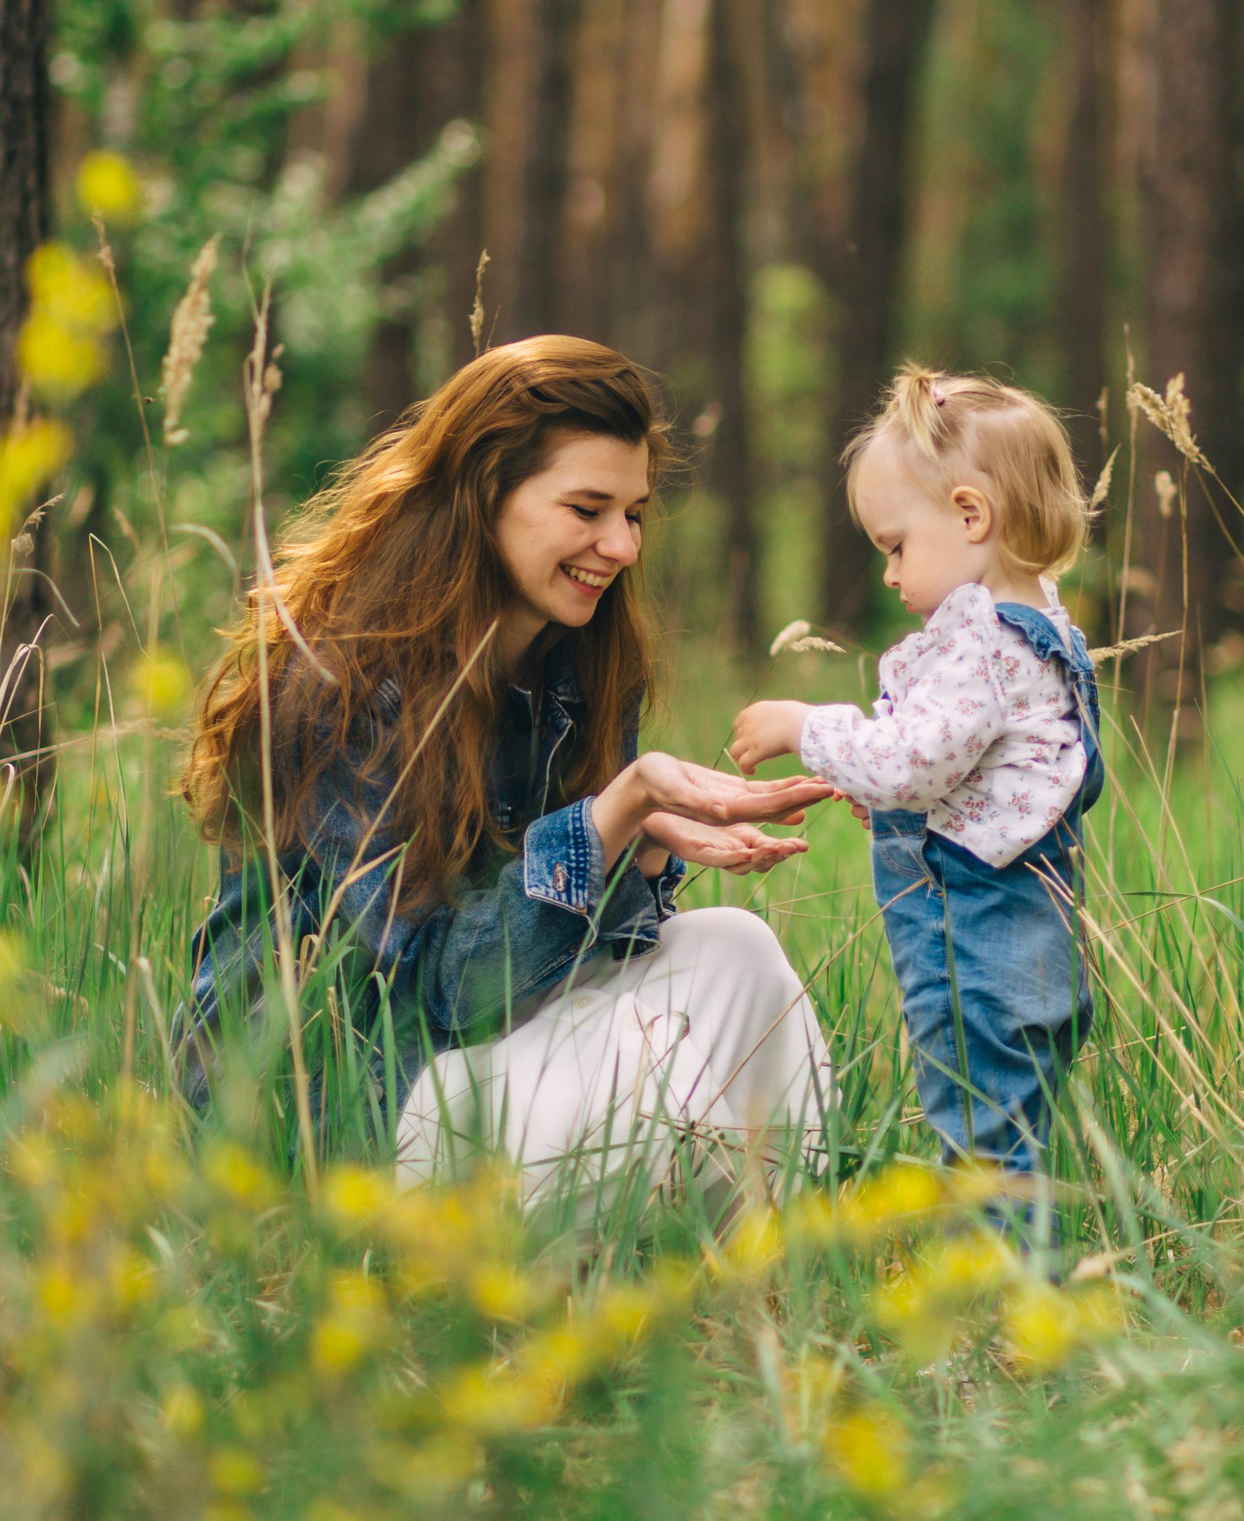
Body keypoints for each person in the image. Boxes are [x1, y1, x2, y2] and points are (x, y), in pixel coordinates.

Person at [175, 335, 835, 1223]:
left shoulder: (586, 663)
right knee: (658, 1107)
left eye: (634, 512)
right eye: (587, 507)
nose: (622, 545)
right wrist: (614, 814)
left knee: (735, 952)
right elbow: (447, 993)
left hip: (482, 1070)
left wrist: (634, 854)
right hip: (341, 1122)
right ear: (486, 495)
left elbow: (574, 964)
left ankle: (768, 1257)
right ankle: (623, 1244)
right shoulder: (340, 682)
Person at [729, 365, 1100, 1186]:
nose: (891, 575)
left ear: (971, 514)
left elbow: (911, 760)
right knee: (1011, 1124)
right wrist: (894, 800)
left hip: (976, 939)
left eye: (896, 547)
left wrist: (806, 726)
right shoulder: (1043, 628)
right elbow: (970, 771)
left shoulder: (983, 645)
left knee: (979, 1128)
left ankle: (1000, 1291)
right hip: (1035, 935)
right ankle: (1013, 1269)